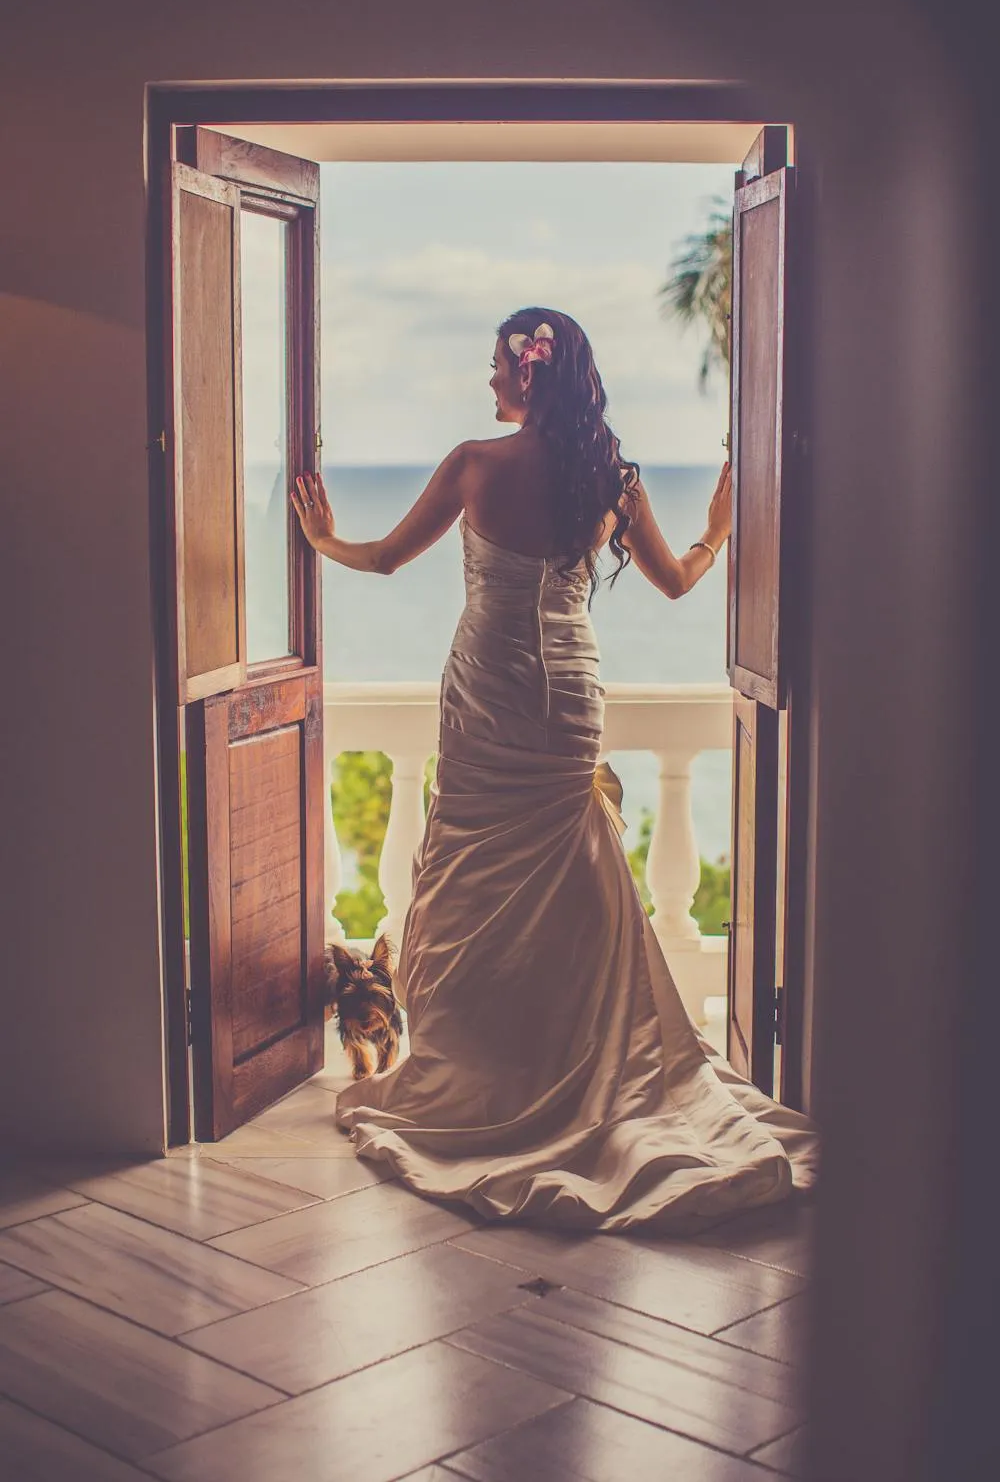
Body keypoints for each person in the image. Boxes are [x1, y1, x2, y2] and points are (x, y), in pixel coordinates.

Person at [291, 306, 817, 1231]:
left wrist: (321, 539)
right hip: (570, 691)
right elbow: (679, 580)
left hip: (491, 688)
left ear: (527, 377)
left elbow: (380, 561)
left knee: (465, 876)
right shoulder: (610, 474)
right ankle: (573, 1065)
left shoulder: (473, 462)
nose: (490, 379)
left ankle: (488, 1074)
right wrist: (721, 525)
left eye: (498, 365)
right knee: (570, 882)